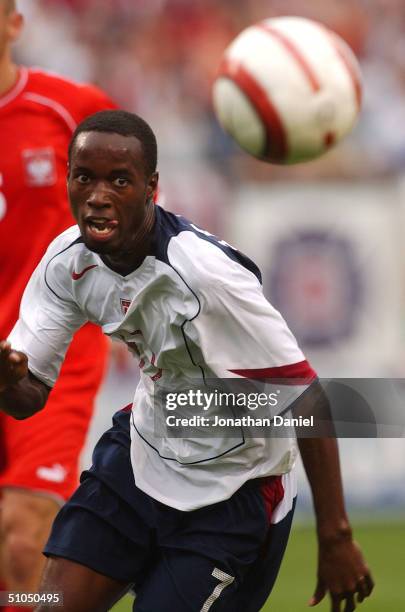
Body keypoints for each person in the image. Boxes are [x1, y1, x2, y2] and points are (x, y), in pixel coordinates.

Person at [0, 110, 373, 612]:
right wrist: (9, 378)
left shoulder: (205, 277)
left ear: (151, 187)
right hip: (141, 459)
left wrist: (335, 536)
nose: (98, 195)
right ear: (67, 179)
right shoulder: (67, 262)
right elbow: (28, 398)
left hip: (233, 490)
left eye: (119, 181)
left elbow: (308, 399)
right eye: (84, 177)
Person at [0, 1, 117, 605]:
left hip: (47, 351)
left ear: (14, 23)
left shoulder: (70, 109)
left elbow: (137, 213)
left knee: (24, 538)